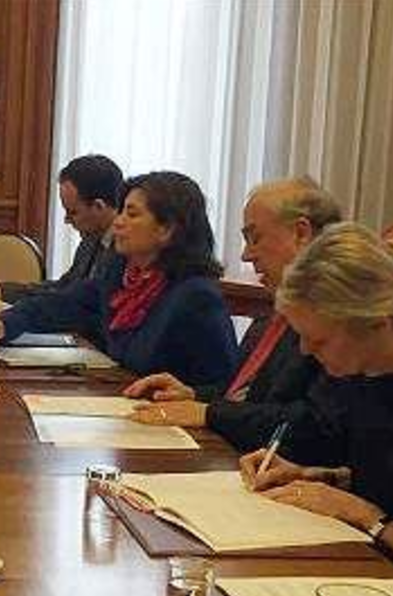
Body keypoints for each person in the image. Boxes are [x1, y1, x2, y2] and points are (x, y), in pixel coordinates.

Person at [0, 171, 238, 388]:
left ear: (166, 229)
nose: (118, 222)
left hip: (173, 429)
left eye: (132, 214)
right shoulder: (121, 274)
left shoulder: (195, 296)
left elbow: (221, 389)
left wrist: (189, 397)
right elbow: (58, 304)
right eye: (121, 210)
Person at [124, 178, 341, 458]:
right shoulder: (273, 313)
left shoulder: (333, 318)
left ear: (301, 233)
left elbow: (313, 424)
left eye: (255, 238)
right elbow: (246, 397)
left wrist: (209, 412)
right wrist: (194, 395)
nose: (246, 255)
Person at [239, 222, 393, 569]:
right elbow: (391, 479)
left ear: (377, 324)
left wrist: (370, 518)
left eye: (319, 340)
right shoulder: (361, 377)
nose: (305, 351)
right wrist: (317, 476)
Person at [0, 154, 123, 322]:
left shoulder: (127, 251)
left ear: (98, 207)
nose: (66, 220)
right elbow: (63, 289)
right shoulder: (90, 242)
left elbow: (92, 313)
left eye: (73, 212)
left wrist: (21, 312)